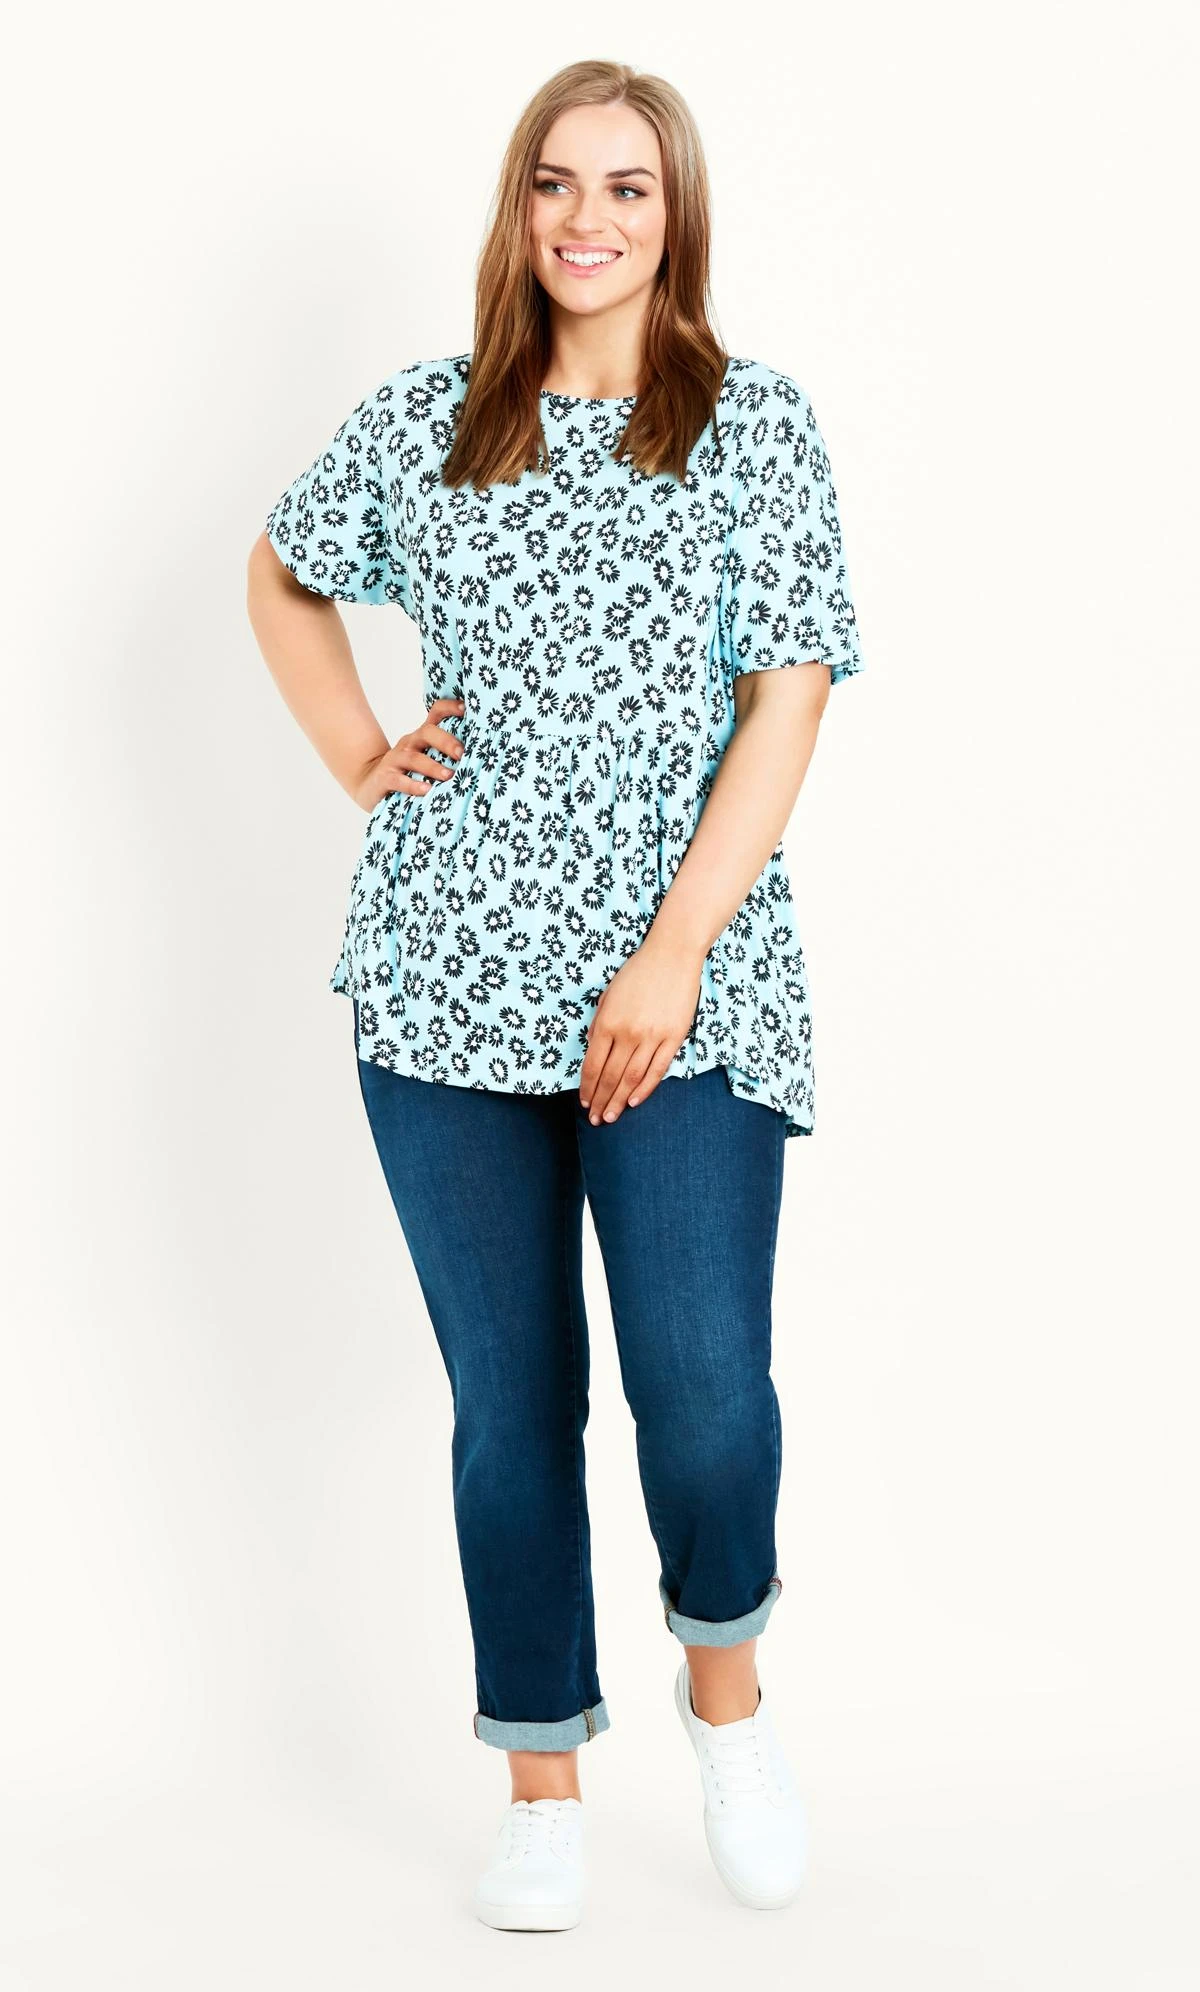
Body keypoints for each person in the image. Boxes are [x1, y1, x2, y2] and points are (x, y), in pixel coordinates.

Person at [247, 57, 865, 1929]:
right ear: (518, 207)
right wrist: (363, 757)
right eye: (555, 183)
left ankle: (727, 1701)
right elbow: (282, 575)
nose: (587, 220)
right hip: (444, 981)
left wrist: (671, 954)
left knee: (703, 1389)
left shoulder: (751, 426)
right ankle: (539, 1778)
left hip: (682, 987)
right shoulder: (431, 421)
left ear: (677, 219)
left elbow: (788, 700)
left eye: (628, 189)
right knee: (509, 1410)